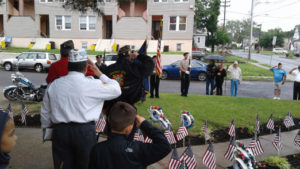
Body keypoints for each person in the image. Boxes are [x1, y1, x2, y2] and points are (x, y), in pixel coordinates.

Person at [40, 49, 121, 169]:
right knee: (86, 165)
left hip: (60, 131)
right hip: (85, 132)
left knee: (62, 165)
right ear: (85, 67)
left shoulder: (54, 84)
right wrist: (99, 73)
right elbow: (117, 89)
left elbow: (45, 112)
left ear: (68, 66)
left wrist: (48, 129)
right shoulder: (93, 84)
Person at [88, 101, 172, 169]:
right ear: (129, 128)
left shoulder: (97, 149)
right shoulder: (138, 149)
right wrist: (145, 124)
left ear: (108, 119)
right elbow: (165, 146)